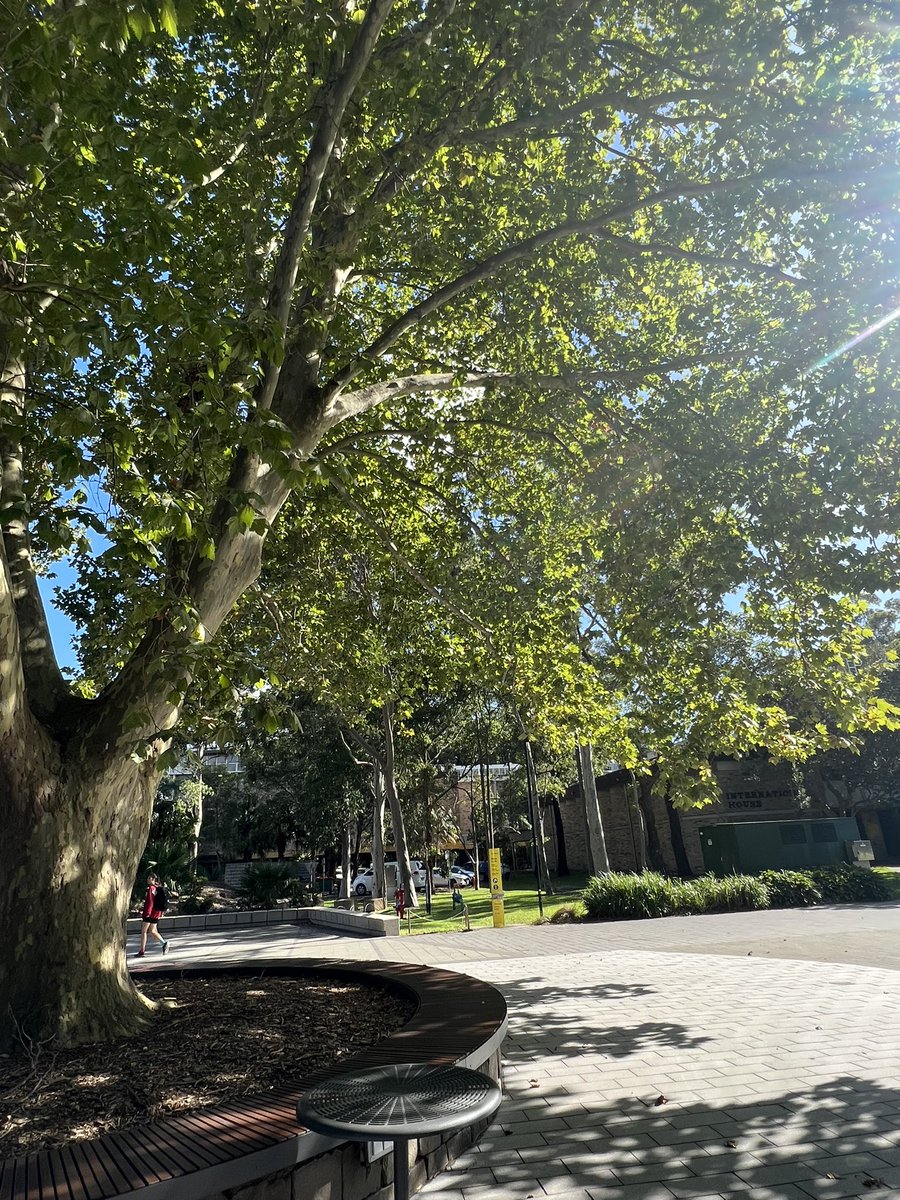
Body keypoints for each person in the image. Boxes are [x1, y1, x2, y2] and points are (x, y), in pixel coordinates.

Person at [137, 872, 170, 957]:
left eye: (149, 878)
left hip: (150, 913)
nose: (147, 880)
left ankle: (142, 951)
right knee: (152, 931)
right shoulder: (157, 888)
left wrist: (147, 913)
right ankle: (164, 943)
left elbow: (150, 902)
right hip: (156, 912)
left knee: (144, 931)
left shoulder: (151, 888)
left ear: (152, 879)